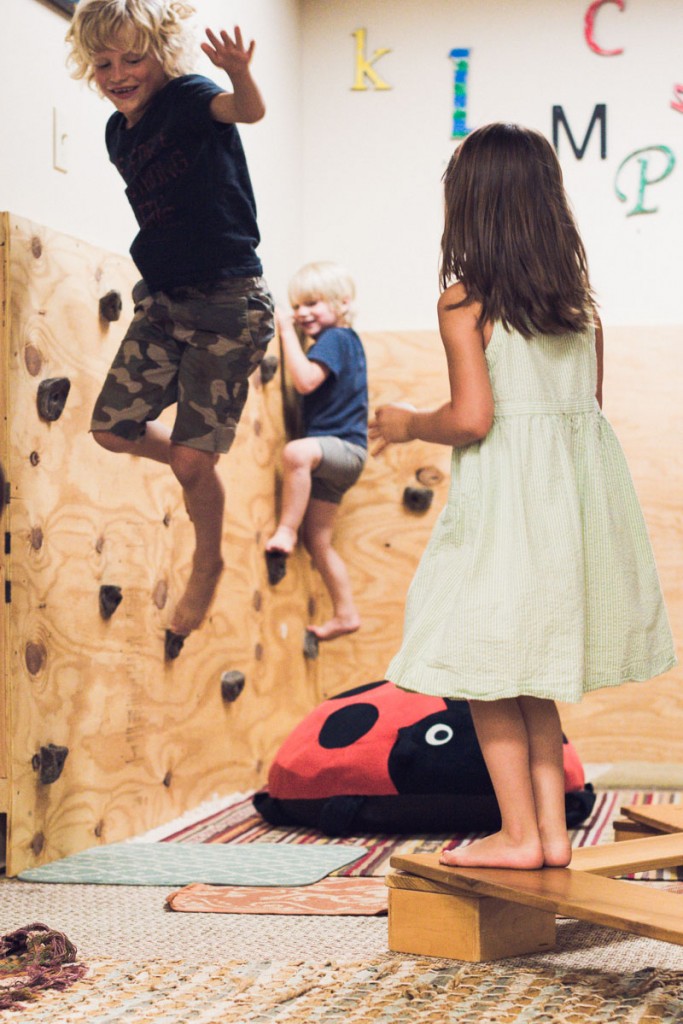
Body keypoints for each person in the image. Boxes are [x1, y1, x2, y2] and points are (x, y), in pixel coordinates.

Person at [369, 123, 676, 870]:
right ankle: (547, 837)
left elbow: (473, 419)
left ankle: (518, 833)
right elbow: (585, 411)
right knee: (529, 673)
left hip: (504, 512)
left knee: (481, 666)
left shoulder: (464, 303)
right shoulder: (578, 312)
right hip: (567, 514)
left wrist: (407, 422)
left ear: (468, 209)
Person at [66, 0, 274, 645]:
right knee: (110, 431)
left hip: (228, 303)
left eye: (133, 58)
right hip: (162, 300)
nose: (118, 73)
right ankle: (196, 461)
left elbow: (247, 112)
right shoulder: (116, 133)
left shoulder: (188, 97)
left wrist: (239, 74)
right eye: (103, 62)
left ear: (162, 55)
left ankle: (206, 561)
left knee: (188, 462)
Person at [266, 262, 368, 641]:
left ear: (341, 303)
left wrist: (285, 332)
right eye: (296, 305)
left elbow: (307, 381)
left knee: (295, 454)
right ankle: (345, 613)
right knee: (320, 541)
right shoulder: (346, 340)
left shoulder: (335, 340)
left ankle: (286, 533)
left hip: (340, 449)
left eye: (312, 303)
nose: (302, 312)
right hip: (345, 457)